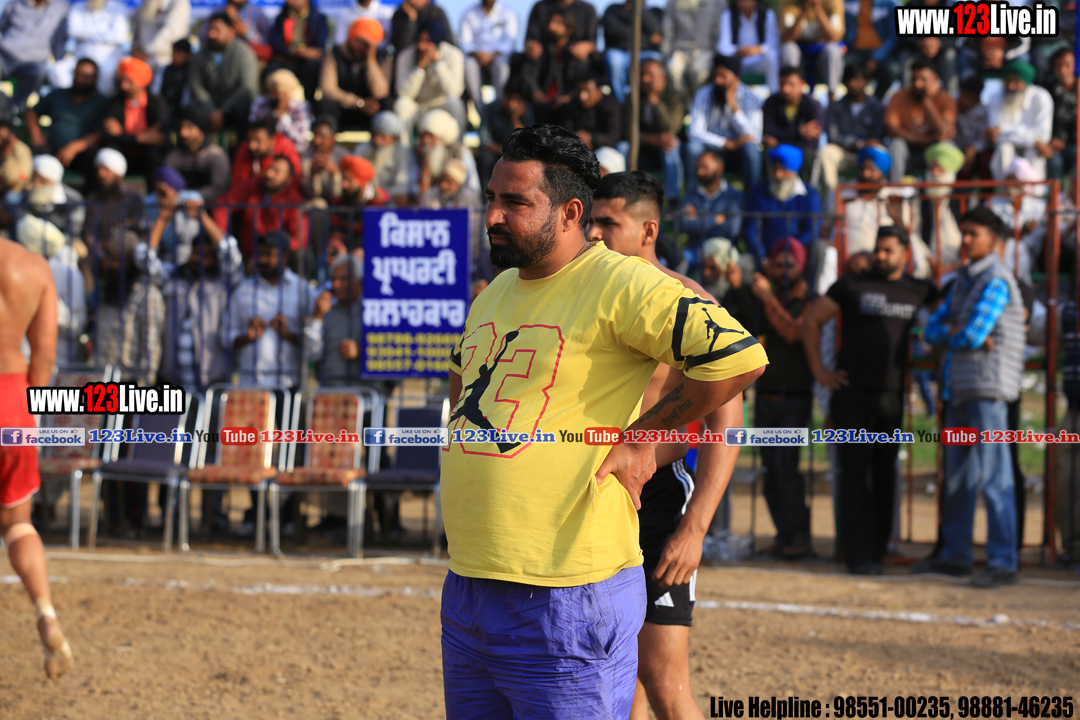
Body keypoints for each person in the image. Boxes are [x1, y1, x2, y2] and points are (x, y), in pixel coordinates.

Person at [441, 124, 766, 719]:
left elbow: (739, 359)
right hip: (470, 585)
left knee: (665, 684)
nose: (493, 216)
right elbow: (461, 383)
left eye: (515, 202)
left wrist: (643, 437)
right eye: (490, 198)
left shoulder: (622, 281)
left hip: (568, 593)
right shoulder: (495, 291)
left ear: (570, 212)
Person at [587, 170, 745, 720]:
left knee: (663, 680)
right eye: (591, 222)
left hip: (658, 501)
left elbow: (728, 422)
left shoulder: (687, 300)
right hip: (598, 496)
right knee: (612, 675)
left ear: (648, 230)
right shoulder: (584, 295)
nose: (595, 234)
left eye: (610, 223)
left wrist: (694, 529)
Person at [802, 226, 937, 574]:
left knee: (884, 474)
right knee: (854, 475)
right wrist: (820, 372)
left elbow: (948, 314)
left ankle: (878, 552)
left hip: (891, 398)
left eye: (888, 250)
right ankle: (857, 555)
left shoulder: (919, 289)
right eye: (878, 249)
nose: (880, 255)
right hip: (852, 397)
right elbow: (811, 323)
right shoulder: (851, 284)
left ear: (905, 254)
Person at [920, 207, 1025, 588]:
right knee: (958, 479)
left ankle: (1002, 561)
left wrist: (956, 332)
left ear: (994, 240)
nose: (964, 240)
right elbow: (932, 330)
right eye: (963, 232)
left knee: (994, 478)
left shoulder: (995, 279)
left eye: (973, 233)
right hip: (963, 388)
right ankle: (956, 556)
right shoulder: (965, 280)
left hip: (988, 389)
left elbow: (969, 335)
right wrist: (958, 332)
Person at [0, 234, 75, 680]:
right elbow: (44, 354)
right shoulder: (31, 266)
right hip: (13, 401)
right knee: (18, 524)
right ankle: (46, 613)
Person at [729, 238, 814, 558]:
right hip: (765, 397)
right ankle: (783, 536)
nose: (783, 271)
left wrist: (766, 297)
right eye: (777, 265)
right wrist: (740, 289)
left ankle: (799, 538)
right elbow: (746, 327)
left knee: (786, 469)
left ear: (801, 266)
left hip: (795, 398)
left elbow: (793, 332)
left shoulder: (809, 300)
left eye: (789, 265)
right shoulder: (765, 297)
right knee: (770, 472)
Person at [222, 230, 319, 387]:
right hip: (251, 384)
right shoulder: (243, 290)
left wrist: (288, 335)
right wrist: (247, 336)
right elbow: (225, 336)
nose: (262, 259)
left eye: (269, 254)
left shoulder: (303, 290)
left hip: (289, 384)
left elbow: (314, 344)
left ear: (285, 256)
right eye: (259, 254)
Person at [14, 214, 86, 366]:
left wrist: (46, 305)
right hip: (26, 358)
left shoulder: (69, 273)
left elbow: (75, 324)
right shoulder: (20, 272)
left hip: (60, 361)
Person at [687, 54, 764, 192]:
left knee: (752, 149)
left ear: (736, 78)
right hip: (711, 152)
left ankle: (752, 200)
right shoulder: (704, 94)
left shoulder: (751, 97)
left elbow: (755, 137)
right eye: (715, 75)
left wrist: (733, 106)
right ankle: (693, 197)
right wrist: (725, 143)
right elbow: (694, 131)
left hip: (739, 154)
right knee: (693, 148)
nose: (718, 80)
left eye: (723, 76)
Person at [25, 58, 106, 179]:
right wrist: (37, 135)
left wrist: (74, 148)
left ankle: (91, 191)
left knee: (96, 157)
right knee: (30, 153)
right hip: (52, 149)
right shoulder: (58, 95)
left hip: (82, 154)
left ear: (96, 78)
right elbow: (32, 112)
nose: (80, 79)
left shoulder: (102, 102)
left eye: (86, 76)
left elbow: (100, 133)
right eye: (77, 74)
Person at [744, 145, 822, 267]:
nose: (777, 175)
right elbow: (752, 231)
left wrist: (789, 251)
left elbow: (812, 231)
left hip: (797, 257)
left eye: (782, 169)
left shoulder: (810, 195)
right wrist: (763, 258)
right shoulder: (759, 193)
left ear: (793, 170)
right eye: (775, 169)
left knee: (820, 248)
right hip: (765, 257)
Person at [214, 154, 308, 255]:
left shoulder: (294, 200)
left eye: (277, 171)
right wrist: (222, 239)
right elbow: (223, 204)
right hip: (247, 254)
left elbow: (300, 240)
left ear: (289, 179)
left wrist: (281, 250)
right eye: (270, 168)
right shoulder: (254, 184)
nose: (269, 174)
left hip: (277, 257)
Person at [620, 58, 685, 201]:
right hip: (642, 149)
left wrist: (655, 100)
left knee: (672, 145)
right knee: (623, 147)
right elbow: (626, 131)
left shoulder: (675, 97)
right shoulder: (633, 96)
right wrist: (651, 139)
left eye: (650, 75)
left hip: (664, 150)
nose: (645, 79)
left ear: (663, 79)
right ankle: (626, 195)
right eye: (642, 75)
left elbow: (671, 128)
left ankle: (673, 199)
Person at [883, 58, 957, 182]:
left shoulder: (946, 99)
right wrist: (921, 139)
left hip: (932, 154)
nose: (917, 84)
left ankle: (941, 194)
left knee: (947, 146)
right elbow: (891, 129)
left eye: (923, 80)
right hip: (909, 153)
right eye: (914, 79)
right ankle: (895, 190)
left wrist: (926, 101)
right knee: (896, 145)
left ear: (935, 79)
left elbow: (944, 131)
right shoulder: (898, 96)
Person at [189, 12, 261, 134]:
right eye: (210, 29)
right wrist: (211, 110)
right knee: (191, 110)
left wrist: (223, 110)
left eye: (217, 30)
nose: (211, 34)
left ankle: (243, 146)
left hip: (233, 107)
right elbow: (195, 85)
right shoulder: (200, 55)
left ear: (231, 32)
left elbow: (247, 88)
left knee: (243, 108)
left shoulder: (244, 54)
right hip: (210, 107)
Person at [393, 18, 467, 137]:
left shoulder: (454, 54)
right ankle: (403, 147)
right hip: (418, 107)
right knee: (402, 104)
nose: (421, 46)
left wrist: (438, 62)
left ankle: (456, 146)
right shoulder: (406, 56)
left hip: (441, 106)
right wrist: (420, 68)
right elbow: (404, 93)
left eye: (427, 41)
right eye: (419, 40)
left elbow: (454, 92)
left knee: (455, 103)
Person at [821, 64, 885, 197]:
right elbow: (833, 137)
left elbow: (877, 137)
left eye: (857, 80)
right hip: (843, 152)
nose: (852, 84)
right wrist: (857, 143)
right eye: (849, 80)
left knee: (881, 153)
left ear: (867, 81)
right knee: (826, 152)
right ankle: (832, 199)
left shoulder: (876, 106)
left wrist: (866, 145)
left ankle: (881, 197)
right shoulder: (835, 106)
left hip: (868, 154)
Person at [101, 57, 169, 179]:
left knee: (154, 154)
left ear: (141, 82)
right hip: (123, 154)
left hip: (146, 157)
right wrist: (141, 138)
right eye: (122, 80)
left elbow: (161, 137)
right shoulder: (114, 103)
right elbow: (109, 136)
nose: (124, 86)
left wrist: (122, 134)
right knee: (110, 151)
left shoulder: (157, 103)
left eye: (129, 81)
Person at [986, 60, 1054, 182]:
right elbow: (995, 136)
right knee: (1004, 148)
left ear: (1026, 82)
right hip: (1014, 145)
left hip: (1032, 148)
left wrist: (1003, 130)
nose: (1010, 86)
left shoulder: (1041, 97)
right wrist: (1033, 140)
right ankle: (1005, 191)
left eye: (1016, 82)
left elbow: (1042, 136)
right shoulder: (996, 97)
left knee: (1034, 152)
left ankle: (1034, 193)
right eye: (1008, 81)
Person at [318, 17, 389, 131]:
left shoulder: (382, 58)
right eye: (357, 41)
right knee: (325, 103)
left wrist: (370, 61)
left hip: (369, 112)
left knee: (387, 104)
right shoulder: (335, 54)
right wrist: (358, 103)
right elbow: (328, 89)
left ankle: (381, 140)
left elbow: (381, 92)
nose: (360, 46)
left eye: (366, 44)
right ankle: (327, 139)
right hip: (343, 108)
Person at [0, 0, 70, 112]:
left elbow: (60, 39)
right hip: (5, 56)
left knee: (39, 73)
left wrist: (60, 61)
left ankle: (14, 109)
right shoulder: (16, 3)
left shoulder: (61, 7)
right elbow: (2, 26)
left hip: (33, 61)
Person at [51, 0, 130, 96]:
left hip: (107, 59)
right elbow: (73, 31)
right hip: (80, 56)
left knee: (107, 73)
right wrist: (103, 33)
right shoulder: (77, 7)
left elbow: (118, 36)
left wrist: (86, 34)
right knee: (58, 69)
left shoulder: (119, 8)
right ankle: (66, 100)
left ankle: (102, 102)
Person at [309, 253, 364, 385]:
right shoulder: (326, 311)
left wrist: (363, 351)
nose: (336, 284)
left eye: (344, 279)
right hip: (331, 391)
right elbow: (312, 354)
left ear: (360, 282)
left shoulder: (373, 312)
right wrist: (317, 317)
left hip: (366, 391)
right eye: (334, 279)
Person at [763, 65, 824, 184]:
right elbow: (767, 133)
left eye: (791, 84)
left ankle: (807, 191)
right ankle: (768, 191)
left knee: (808, 153)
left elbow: (813, 141)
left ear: (802, 84)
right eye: (782, 84)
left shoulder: (813, 105)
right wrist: (799, 132)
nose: (785, 89)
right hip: (780, 149)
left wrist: (779, 141)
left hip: (801, 151)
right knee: (768, 151)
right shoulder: (770, 102)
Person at [164, 104, 232, 203]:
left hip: (209, 208)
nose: (183, 133)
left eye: (189, 127)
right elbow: (166, 185)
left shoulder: (216, 156)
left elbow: (219, 189)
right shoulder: (174, 157)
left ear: (201, 130)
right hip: (178, 208)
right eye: (181, 127)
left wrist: (193, 197)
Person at [408, 108, 481, 201]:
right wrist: (425, 163)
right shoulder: (417, 153)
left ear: (441, 138)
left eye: (430, 136)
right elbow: (418, 192)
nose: (425, 141)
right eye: (423, 135)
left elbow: (473, 186)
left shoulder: (460, 151)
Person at [680, 149, 743, 250]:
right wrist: (715, 219)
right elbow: (685, 224)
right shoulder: (691, 194)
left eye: (705, 167)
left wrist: (698, 221)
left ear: (720, 167)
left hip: (723, 250)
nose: (700, 172)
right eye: (698, 167)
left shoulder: (734, 196)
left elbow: (733, 229)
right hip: (694, 250)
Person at [478, 78, 534, 191]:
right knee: (485, 158)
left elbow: (527, 144)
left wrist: (515, 119)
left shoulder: (528, 112)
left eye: (517, 100)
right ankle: (487, 195)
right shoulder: (490, 109)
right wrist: (504, 151)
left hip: (516, 155)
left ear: (523, 102)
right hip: (495, 152)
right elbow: (484, 141)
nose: (511, 104)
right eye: (509, 98)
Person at [778, 0, 844, 97]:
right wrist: (804, 11)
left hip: (822, 51)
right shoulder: (789, 2)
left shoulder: (833, 1)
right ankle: (792, 96)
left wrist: (818, 8)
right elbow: (787, 38)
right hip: (799, 50)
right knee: (788, 48)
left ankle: (832, 96)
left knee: (833, 50)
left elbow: (834, 38)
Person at [601, 0, 662, 104]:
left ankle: (651, 103)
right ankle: (620, 105)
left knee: (656, 62)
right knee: (614, 61)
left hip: (645, 53)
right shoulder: (613, 9)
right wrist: (646, 38)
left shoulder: (654, 11)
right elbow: (612, 30)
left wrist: (639, 8)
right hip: (620, 52)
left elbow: (656, 30)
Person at [268, 0, 330, 101]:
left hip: (308, 62)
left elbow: (319, 49)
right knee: (272, 69)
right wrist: (299, 52)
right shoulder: (282, 18)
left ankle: (309, 103)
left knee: (314, 66)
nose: (290, 2)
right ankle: (278, 104)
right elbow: (277, 45)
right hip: (287, 60)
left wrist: (305, 54)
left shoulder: (318, 18)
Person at [459, 0, 518, 106]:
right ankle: (480, 108)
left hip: (498, 56)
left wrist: (491, 56)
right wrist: (479, 55)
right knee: (468, 64)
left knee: (502, 66)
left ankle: (499, 106)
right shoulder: (469, 13)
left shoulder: (508, 13)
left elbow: (509, 42)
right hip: (476, 58)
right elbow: (465, 42)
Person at [661, 0, 723, 100]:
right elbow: (668, 30)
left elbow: (718, 29)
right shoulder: (673, 2)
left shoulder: (716, 2)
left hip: (705, 49)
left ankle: (699, 101)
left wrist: (716, 55)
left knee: (699, 71)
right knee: (672, 69)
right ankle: (684, 101)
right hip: (680, 48)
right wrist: (665, 54)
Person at [717, 0, 780, 92]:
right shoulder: (728, 14)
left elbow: (773, 43)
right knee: (722, 60)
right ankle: (726, 96)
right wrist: (738, 51)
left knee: (772, 56)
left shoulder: (767, 14)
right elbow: (722, 47)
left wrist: (756, 50)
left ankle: (774, 93)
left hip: (759, 60)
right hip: (737, 61)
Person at [131, 0, 192, 92]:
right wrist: (135, 50)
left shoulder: (179, 3)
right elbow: (136, 37)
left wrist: (148, 54)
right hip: (142, 64)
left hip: (165, 64)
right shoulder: (144, 5)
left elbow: (171, 36)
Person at [250, 68, 314, 154]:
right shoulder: (261, 102)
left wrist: (282, 116)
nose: (272, 96)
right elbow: (253, 132)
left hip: (290, 154)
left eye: (276, 93)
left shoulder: (301, 107)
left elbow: (302, 144)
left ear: (287, 93)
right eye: (270, 91)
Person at [843, 0, 900, 94]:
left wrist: (876, 57)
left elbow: (894, 35)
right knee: (840, 66)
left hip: (883, 53)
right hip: (855, 51)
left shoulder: (891, 3)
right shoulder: (847, 2)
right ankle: (852, 100)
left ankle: (877, 99)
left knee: (892, 70)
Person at [354, 110, 410, 204]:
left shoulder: (402, 152)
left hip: (391, 199)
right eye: (375, 134)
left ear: (394, 138)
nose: (377, 140)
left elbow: (402, 185)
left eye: (383, 135)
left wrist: (383, 194)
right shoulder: (362, 149)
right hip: (366, 198)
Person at [230, 117, 303, 188]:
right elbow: (238, 185)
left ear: (272, 141)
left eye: (258, 141)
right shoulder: (245, 149)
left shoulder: (287, 149)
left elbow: (294, 182)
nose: (252, 146)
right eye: (249, 140)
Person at [558, 71, 621, 152]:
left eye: (588, 91)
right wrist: (579, 140)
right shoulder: (570, 107)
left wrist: (592, 138)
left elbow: (614, 137)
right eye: (579, 91)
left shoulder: (611, 106)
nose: (582, 96)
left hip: (605, 149)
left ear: (599, 92)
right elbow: (566, 132)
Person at [1044, 48, 1076, 181]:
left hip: (1076, 144)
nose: (1063, 71)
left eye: (1067, 65)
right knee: (1054, 162)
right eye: (1058, 66)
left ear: (1074, 65)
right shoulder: (1046, 89)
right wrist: (1050, 140)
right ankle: (1055, 195)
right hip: (1052, 144)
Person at [200, 0, 273, 60]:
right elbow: (202, 36)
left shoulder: (257, 12)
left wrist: (246, 33)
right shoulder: (218, 11)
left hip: (249, 59)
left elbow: (266, 41)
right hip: (221, 58)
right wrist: (218, 35)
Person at [301, 115, 349, 203]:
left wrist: (336, 173)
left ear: (333, 138)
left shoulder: (344, 157)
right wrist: (313, 174)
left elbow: (343, 194)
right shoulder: (306, 157)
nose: (316, 141)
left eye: (322, 136)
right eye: (315, 135)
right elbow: (307, 194)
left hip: (340, 205)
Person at [954, 76, 989, 180]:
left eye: (968, 97)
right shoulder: (952, 102)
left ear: (976, 98)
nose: (963, 100)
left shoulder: (984, 111)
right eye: (962, 94)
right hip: (955, 147)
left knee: (985, 161)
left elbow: (984, 137)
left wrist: (973, 148)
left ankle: (986, 191)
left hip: (976, 151)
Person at [159, 39, 192, 123]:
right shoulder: (165, 69)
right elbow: (157, 91)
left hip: (184, 113)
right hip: (165, 109)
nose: (175, 56)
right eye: (174, 53)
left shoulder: (191, 72)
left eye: (179, 53)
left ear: (188, 55)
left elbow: (187, 97)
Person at [0, 119, 32, 196]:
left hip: (16, 192)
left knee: (11, 197)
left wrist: (7, 156)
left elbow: (20, 180)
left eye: (2, 137)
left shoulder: (21, 150)